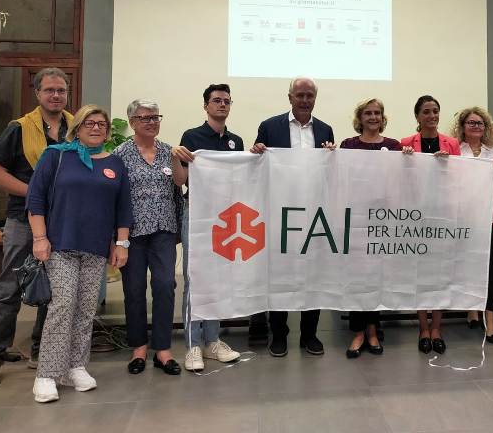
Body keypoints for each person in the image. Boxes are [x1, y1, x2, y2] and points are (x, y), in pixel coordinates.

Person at [0, 67, 73, 390]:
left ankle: (41, 349)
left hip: (61, 219)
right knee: (10, 287)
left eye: (61, 90)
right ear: (37, 93)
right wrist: (33, 192)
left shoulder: (75, 128)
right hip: (22, 218)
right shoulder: (18, 128)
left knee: (54, 287)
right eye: (50, 90)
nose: (56, 95)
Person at [27, 105, 132, 403]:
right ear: (77, 128)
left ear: (107, 131)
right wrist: (39, 238)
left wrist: (121, 244)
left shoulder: (115, 163)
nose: (96, 128)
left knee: (86, 309)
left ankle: (75, 366)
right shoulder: (56, 156)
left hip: (96, 248)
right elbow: (35, 198)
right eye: (89, 123)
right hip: (60, 245)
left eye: (101, 124)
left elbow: (123, 208)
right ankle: (47, 374)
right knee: (63, 305)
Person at [251, 77, 335, 358]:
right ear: (290, 97)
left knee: (314, 273)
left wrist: (332, 156)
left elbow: (329, 171)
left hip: (314, 212)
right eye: (300, 95)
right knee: (280, 274)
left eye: (310, 95)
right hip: (280, 211)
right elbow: (257, 166)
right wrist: (256, 152)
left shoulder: (325, 129)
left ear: (315, 99)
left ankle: (310, 334)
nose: (305, 100)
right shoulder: (269, 126)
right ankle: (279, 334)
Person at [114, 100, 188, 376]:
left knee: (165, 285)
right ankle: (139, 348)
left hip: (163, 230)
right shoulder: (120, 154)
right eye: (145, 118)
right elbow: (114, 197)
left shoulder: (169, 151)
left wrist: (176, 160)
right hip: (131, 233)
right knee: (134, 290)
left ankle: (163, 349)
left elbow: (179, 183)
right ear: (132, 122)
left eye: (155, 117)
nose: (151, 122)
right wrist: (117, 239)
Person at [175, 84, 243, 371]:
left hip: (225, 216)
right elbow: (180, 179)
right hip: (198, 213)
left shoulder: (236, 141)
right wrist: (175, 156)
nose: (222, 105)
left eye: (227, 101)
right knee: (195, 278)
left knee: (218, 279)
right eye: (217, 100)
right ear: (206, 105)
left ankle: (212, 340)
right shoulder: (192, 137)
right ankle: (193, 344)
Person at [339, 98, 401, 358]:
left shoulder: (394, 146)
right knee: (357, 277)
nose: (373, 117)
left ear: (382, 117)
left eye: (377, 113)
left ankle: (373, 331)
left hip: (382, 219)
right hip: (356, 219)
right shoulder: (348, 145)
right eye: (368, 113)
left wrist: (409, 160)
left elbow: (401, 179)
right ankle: (358, 332)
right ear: (360, 117)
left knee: (377, 276)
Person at [401, 95, 461, 354]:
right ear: (417, 116)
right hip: (416, 216)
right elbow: (400, 180)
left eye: (435, 111)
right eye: (426, 111)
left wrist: (448, 166)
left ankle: (437, 328)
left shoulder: (452, 143)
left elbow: (461, 177)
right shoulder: (406, 143)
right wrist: (405, 161)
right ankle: (423, 328)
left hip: (443, 214)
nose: (432, 116)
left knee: (440, 273)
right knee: (419, 273)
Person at [452, 107, 493, 339]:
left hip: (488, 219)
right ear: (463, 127)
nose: (476, 126)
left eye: (480, 123)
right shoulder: (455, 151)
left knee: (488, 269)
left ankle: (489, 318)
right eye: (471, 123)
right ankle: (471, 308)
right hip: (463, 218)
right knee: (465, 265)